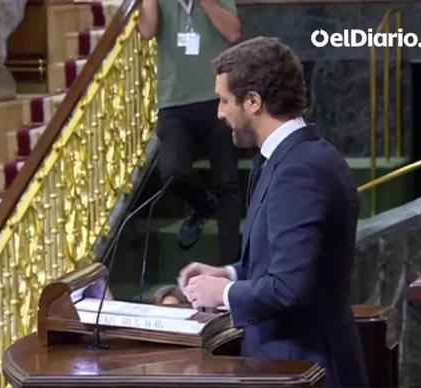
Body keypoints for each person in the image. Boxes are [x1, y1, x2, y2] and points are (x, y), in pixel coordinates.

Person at [178, 37, 369, 387]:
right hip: (288, 365)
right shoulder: (283, 159)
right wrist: (228, 274)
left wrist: (221, 295)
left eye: (223, 101)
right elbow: (283, 261)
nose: (219, 113)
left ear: (253, 101)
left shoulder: (299, 170)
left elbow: (290, 287)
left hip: (306, 369)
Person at [138, 0, 242, 265]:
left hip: (218, 99)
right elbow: (147, 31)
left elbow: (234, 33)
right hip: (174, 102)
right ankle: (205, 206)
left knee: (227, 182)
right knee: (172, 171)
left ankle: (230, 266)